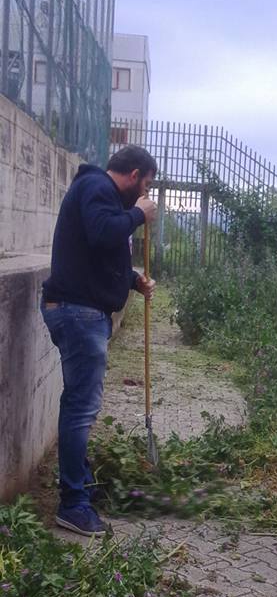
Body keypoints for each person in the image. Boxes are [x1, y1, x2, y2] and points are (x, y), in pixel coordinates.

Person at [41, 145, 158, 536]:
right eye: (146, 185)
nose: (146, 193)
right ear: (135, 173)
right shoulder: (96, 187)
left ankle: (80, 483)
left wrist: (131, 279)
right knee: (80, 408)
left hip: (83, 311)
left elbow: (97, 252)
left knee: (78, 403)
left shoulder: (101, 194)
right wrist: (138, 215)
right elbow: (102, 232)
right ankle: (73, 503)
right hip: (78, 313)